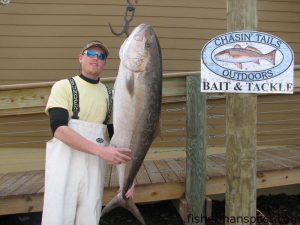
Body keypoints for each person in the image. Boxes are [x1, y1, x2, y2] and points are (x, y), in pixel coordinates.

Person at [41, 41, 132, 225]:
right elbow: (59, 129)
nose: (95, 59)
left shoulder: (110, 95)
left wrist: (130, 181)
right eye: (91, 53)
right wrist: (101, 151)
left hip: (94, 172)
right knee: (57, 218)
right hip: (64, 169)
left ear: (105, 63)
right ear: (81, 57)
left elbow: (119, 141)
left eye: (101, 57)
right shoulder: (64, 86)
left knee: (89, 218)